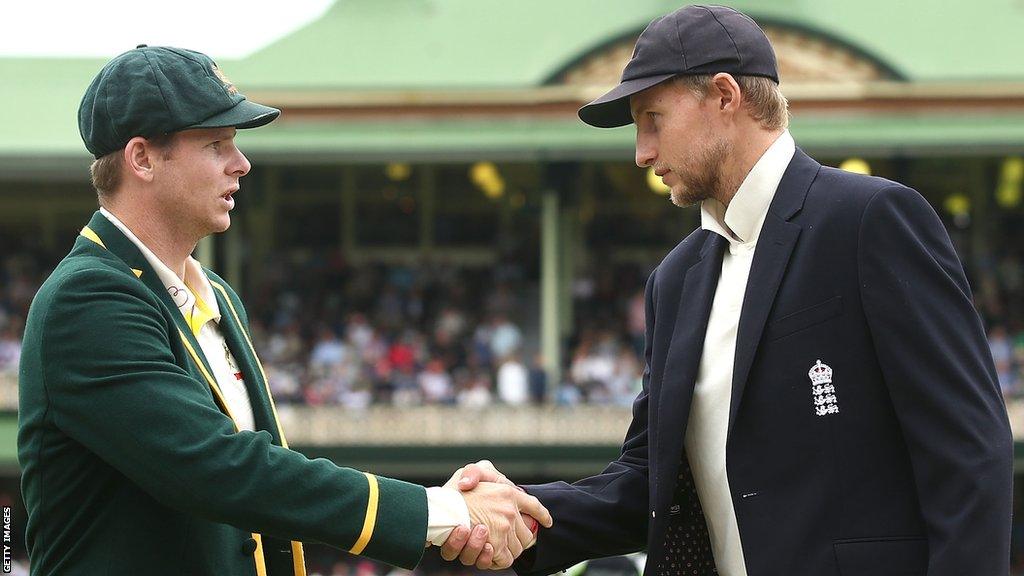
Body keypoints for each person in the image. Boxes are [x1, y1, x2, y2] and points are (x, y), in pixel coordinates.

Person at [446, 5, 1012, 575]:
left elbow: (969, 454)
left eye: (652, 119)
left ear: (724, 96)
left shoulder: (870, 220)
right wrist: (520, 511)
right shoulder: (675, 280)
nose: (642, 153)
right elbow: (649, 482)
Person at [17, 45, 550, 576]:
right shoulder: (88, 298)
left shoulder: (217, 295)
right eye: (216, 143)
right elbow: (217, 470)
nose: (241, 163)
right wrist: (442, 511)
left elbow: (254, 505)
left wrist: (443, 510)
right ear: (142, 159)